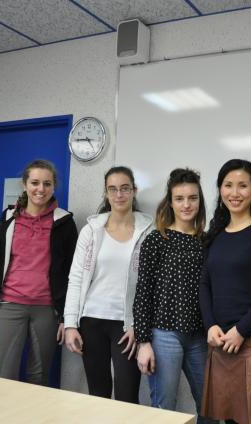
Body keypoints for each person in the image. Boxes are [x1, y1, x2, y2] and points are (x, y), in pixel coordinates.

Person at [199, 159, 251, 424]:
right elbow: (205, 284)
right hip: (219, 341)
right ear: (220, 189)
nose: (234, 193)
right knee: (223, 418)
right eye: (228, 185)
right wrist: (210, 325)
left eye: (243, 186)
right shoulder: (215, 234)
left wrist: (241, 330)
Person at [0, 159, 77, 385]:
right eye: (34, 183)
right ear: (25, 184)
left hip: (46, 310)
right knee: (4, 375)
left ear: (54, 187)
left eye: (47, 184)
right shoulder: (8, 218)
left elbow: (72, 274)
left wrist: (66, 316)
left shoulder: (64, 222)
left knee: (39, 377)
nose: (40, 189)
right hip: (8, 306)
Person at [63, 166, 152, 402]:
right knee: (97, 396)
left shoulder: (149, 231)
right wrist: (71, 323)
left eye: (125, 188)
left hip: (128, 326)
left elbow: (152, 286)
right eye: (112, 189)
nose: (119, 195)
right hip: (92, 321)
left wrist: (140, 326)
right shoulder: (91, 231)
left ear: (134, 190)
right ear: (105, 193)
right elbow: (76, 279)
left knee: (127, 397)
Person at [134, 168, 213, 422]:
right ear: (170, 202)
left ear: (200, 201)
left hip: (199, 336)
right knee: (164, 409)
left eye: (192, 198)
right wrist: (143, 343)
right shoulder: (157, 239)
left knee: (211, 407)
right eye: (179, 198)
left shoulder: (207, 241)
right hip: (164, 335)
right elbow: (143, 292)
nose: (186, 204)